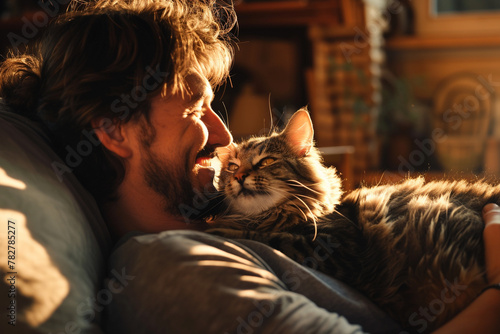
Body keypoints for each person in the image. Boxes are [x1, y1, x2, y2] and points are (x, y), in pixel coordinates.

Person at [0, 0, 499, 333]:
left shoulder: (215, 233)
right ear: (114, 129)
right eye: (198, 110)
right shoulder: (164, 266)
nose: (224, 138)